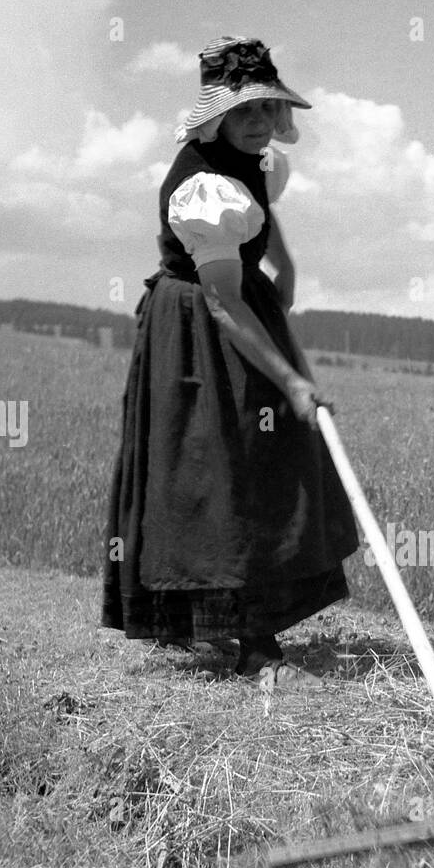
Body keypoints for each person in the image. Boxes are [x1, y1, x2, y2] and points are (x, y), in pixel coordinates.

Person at [101, 35, 359, 686]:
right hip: (202, 328)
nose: (259, 124)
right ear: (216, 117)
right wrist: (293, 383)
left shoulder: (255, 166)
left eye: (268, 110)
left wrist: (286, 263)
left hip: (244, 304)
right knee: (222, 469)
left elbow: (260, 211)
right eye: (245, 112)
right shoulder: (203, 189)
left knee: (267, 462)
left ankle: (237, 627)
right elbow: (222, 303)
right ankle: (252, 644)